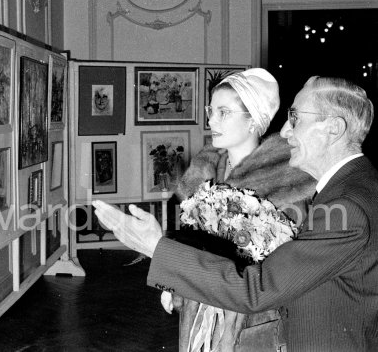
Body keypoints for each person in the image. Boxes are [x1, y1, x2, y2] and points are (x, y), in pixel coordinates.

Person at [93, 76, 378, 351]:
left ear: (333, 129)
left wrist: (155, 248)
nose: (285, 131)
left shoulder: (347, 207)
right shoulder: (353, 187)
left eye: (296, 118)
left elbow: (258, 288)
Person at [162, 68, 315, 351]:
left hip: (252, 318)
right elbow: (185, 240)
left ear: (253, 121)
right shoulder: (202, 172)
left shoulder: (286, 180)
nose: (211, 121)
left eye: (224, 112)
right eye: (211, 110)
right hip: (198, 313)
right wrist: (173, 284)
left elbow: (286, 268)